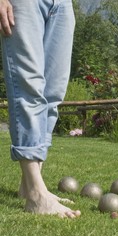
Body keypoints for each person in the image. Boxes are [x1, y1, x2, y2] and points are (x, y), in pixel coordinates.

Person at [0, 0, 81, 218]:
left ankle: (29, 186)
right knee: (29, 87)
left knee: (52, 94)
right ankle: (36, 195)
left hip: (62, 3)